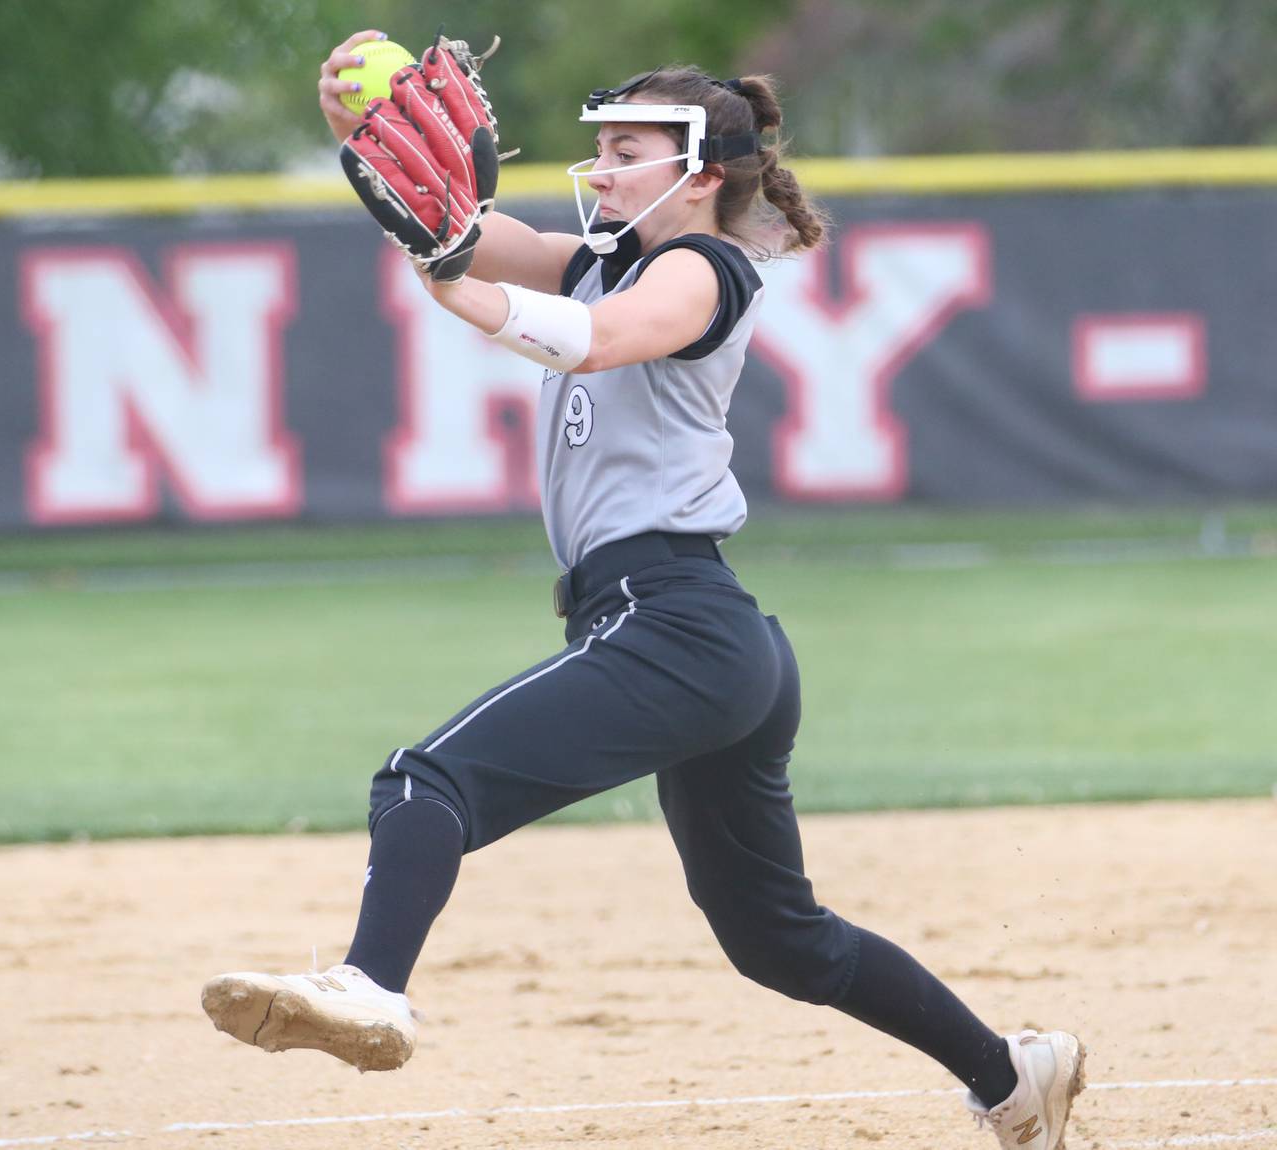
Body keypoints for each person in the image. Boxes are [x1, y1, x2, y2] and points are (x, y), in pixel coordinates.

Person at [201, 29, 1085, 1150]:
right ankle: (1013, 1075)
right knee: (779, 940)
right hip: (708, 638)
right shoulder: (605, 258)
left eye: (629, 151)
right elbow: (470, 237)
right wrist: (375, 146)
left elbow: (593, 339)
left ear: (701, 173)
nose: (604, 169)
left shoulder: (705, 269)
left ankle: (371, 987)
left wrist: (458, 283)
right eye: (604, 148)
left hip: (671, 620)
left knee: (425, 781)